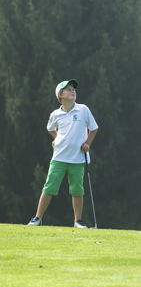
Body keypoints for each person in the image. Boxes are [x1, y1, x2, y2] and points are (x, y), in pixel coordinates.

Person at [27, 79, 98, 228]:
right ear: (61, 95)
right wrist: (57, 138)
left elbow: (94, 128)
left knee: (77, 190)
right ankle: (37, 218)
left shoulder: (83, 109)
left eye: (73, 89)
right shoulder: (55, 114)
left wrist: (87, 144)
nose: (73, 91)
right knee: (49, 187)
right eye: (69, 89)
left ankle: (78, 221)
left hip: (78, 158)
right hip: (59, 157)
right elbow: (50, 128)